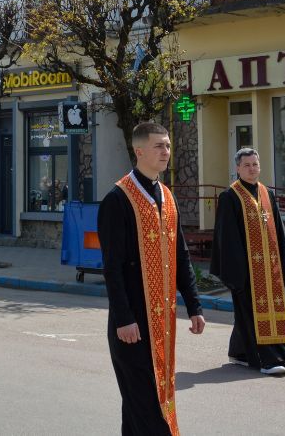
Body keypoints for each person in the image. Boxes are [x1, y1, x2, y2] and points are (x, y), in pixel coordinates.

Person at [97, 122, 205, 435]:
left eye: (168, 146)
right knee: (147, 406)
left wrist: (194, 306)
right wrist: (123, 318)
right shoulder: (117, 199)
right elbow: (112, 267)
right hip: (131, 326)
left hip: (163, 324)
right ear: (139, 150)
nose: (166, 152)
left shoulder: (167, 198)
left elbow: (180, 256)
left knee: (140, 409)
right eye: (159, 146)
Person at [210, 147, 285, 375]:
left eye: (255, 164)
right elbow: (227, 237)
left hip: (271, 267)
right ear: (238, 168)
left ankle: (239, 353)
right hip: (246, 270)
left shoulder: (267, 194)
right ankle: (269, 359)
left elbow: (278, 230)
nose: (252, 169)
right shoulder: (230, 197)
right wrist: (238, 271)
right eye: (247, 165)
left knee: (255, 313)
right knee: (251, 311)